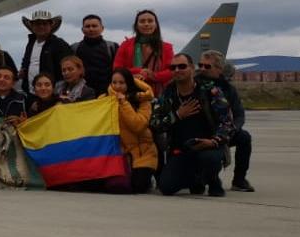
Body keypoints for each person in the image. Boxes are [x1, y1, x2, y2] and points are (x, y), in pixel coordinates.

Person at [151, 53, 234, 197]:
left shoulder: (210, 90)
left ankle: (212, 179)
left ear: (191, 68)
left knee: (209, 159)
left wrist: (213, 141)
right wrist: (177, 115)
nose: (177, 70)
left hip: (208, 146)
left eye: (182, 66)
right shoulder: (168, 93)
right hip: (181, 149)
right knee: (166, 187)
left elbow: (227, 123)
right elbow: (154, 124)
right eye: (173, 68)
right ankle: (197, 179)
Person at [201, 51, 254, 192]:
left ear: (219, 69)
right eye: (201, 65)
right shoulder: (195, 84)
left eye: (207, 66)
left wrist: (231, 130)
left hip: (224, 131)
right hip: (201, 131)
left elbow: (239, 115)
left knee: (244, 137)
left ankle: (239, 180)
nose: (202, 69)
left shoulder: (229, 90)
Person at [108, 68, 157, 194]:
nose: (117, 86)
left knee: (138, 186)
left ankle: (150, 177)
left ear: (129, 83)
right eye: (114, 82)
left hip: (142, 152)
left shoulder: (143, 101)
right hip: (120, 152)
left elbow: (138, 126)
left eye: (121, 83)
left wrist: (123, 103)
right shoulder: (105, 99)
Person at [113, 9, 175, 95]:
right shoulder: (125, 45)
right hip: (130, 93)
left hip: (159, 94)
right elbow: (117, 69)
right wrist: (138, 71)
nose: (146, 24)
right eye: (142, 21)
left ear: (156, 25)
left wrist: (152, 76)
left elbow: (172, 71)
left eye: (150, 21)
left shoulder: (166, 47)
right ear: (136, 26)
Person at [17, 10, 71, 94]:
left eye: (44, 24)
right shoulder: (30, 44)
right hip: (30, 93)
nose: (41, 26)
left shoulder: (59, 44)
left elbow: (68, 68)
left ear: (50, 26)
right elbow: (25, 62)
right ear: (32, 26)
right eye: (37, 24)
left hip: (52, 93)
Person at [73, 14, 119, 95]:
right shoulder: (74, 48)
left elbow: (118, 71)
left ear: (102, 28)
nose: (91, 29)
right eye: (87, 26)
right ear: (82, 29)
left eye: (94, 26)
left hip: (107, 93)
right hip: (81, 94)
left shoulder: (112, 47)